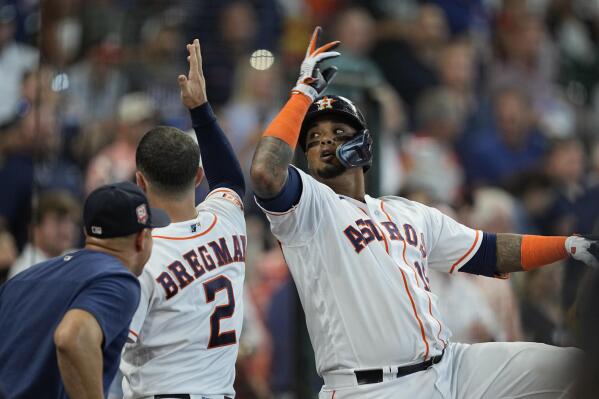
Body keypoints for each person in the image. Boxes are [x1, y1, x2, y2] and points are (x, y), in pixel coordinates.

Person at [250, 27, 599, 399]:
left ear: (362, 145)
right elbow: (265, 173)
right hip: (371, 387)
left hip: (452, 367)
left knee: (575, 366)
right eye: (314, 139)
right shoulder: (310, 209)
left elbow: (487, 251)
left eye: (337, 131)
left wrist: (567, 246)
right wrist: (303, 93)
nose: (323, 141)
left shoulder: (407, 212)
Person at [120, 39, 246, 399]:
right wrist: (201, 109)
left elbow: (108, 350)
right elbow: (230, 181)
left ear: (140, 181)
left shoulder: (141, 254)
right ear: (197, 177)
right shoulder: (228, 221)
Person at [0, 182, 170, 399]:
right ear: (141, 239)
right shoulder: (118, 279)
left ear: (87, 232)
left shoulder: (24, 278)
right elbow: (71, 337)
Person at [8, 190, 79, 279]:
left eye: (70, 221)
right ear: (34, 229)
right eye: (58, 220)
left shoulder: (78, 258)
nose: (67, 229)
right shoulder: (24, 270)